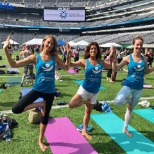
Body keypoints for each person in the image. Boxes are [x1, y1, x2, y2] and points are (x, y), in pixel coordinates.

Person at [3, 35, 71, 152]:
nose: (50, 45)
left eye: (52, 44)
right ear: (44, 42)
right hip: (37, 89)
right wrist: (5, 50)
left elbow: (66, 68)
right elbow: (14, 64)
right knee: (16, 109)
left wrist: (68, 56)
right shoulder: (35, 57)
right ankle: (41, 105)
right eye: (48, 43)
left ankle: (40, 140)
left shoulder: (54, 57)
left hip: (50, 92)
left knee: (45, 118)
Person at [68, 42, 112, 140]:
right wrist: (68, 54)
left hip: (95, 91)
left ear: (97, 51)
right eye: (91, 48)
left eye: (95, 49)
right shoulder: (84, 61)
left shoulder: (100, 62)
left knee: (88, 112)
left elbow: (110, 67)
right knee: (71, 104)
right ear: (89, 50)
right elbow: (70, 64)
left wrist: (112, 56)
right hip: (85, 89)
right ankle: (85, 102)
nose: (93, 50)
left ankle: (84, 130)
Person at [112, 35, 154, 137]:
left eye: (140, 45)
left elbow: (147, 71)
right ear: (133, 45)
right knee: (117, 101)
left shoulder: (144, 58)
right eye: (137, 45)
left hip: (139, 88)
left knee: (130, 109)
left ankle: (125, 128)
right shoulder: (127, 58)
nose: (139, 47)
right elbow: (116, 69)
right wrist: (113, 60)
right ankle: (129, 101)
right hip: (128, 85)